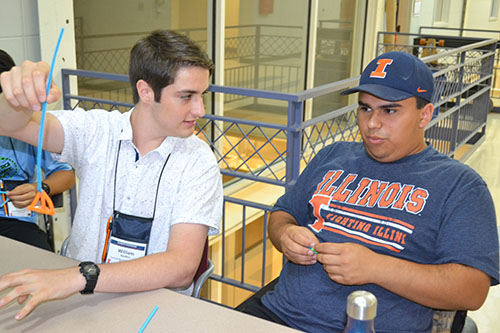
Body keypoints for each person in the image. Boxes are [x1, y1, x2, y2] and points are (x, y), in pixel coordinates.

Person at [239, 51, 499, 332]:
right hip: (279, 315)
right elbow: (283, 214)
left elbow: (472, 291)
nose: (372, 123)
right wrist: (285, 235)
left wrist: (376, 268)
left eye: (389, 110)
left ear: (425, 114)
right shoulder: (332, 155)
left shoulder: (460, 186)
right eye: (365, 108)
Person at [0, 30, 222, 320]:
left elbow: (181, 269)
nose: (200, 109)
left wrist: (82, 276)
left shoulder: (199, 160)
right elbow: (9, 125)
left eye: (201, 95)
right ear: (145, 91)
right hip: (79, 302)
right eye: (186, 96)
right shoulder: (95, 131)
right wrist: (20, 96)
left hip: (153, 308)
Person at [0, 49, 75, 252]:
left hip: (15, 220)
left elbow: (66, 175)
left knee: (43, 262)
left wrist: (39, 189)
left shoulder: (28, 126)